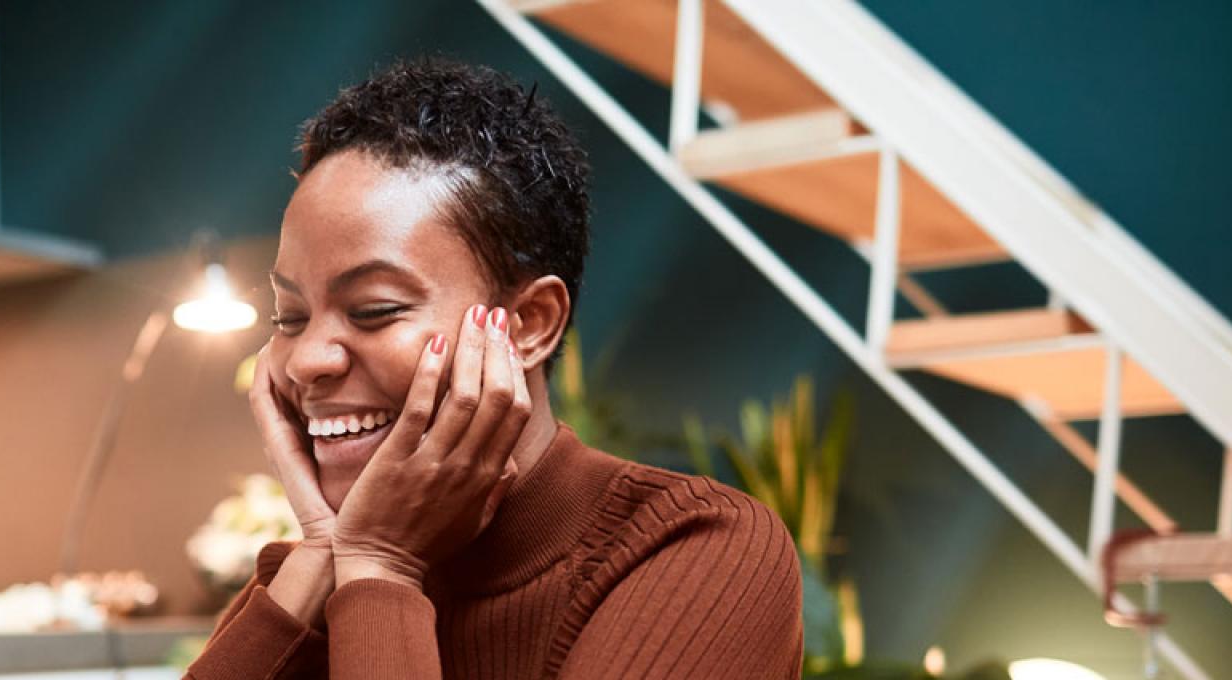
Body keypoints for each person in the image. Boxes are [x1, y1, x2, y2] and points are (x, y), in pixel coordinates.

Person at [185, 59, 802, 680]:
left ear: (530, 323)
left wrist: (382, 568)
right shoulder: (308, 581)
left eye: (374, 310)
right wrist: (325, 554)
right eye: (289, 317)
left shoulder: (698, 551)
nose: (308, 360)